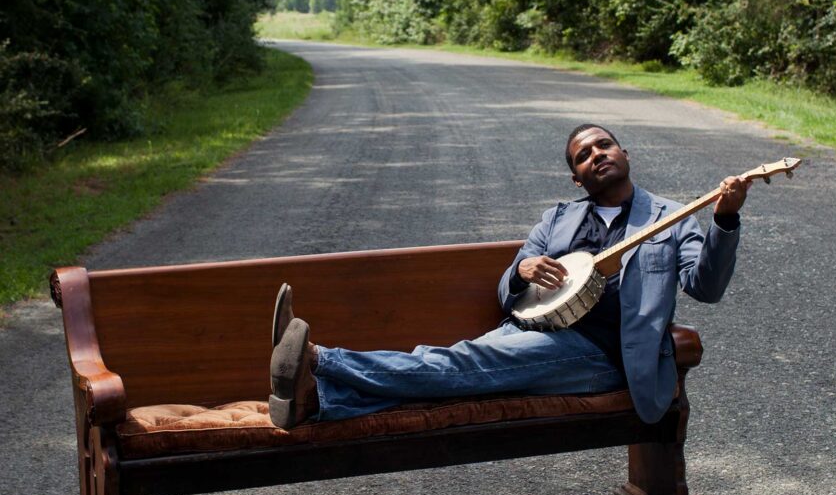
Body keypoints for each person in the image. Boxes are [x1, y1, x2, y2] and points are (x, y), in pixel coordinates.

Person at [268, 124, 750, 429]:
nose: (596, 155)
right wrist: (521, 271)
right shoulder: (556, 219)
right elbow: (507, 293)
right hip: (530, 331)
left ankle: (319, 360)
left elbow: (704, 288)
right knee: (464, 369)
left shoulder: (674, 217)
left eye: (604, 145)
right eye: (583, 156)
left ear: (625, 153)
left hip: (602, 354)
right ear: (576, 179)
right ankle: (322, 401)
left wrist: (724, 220)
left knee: (458, 363)